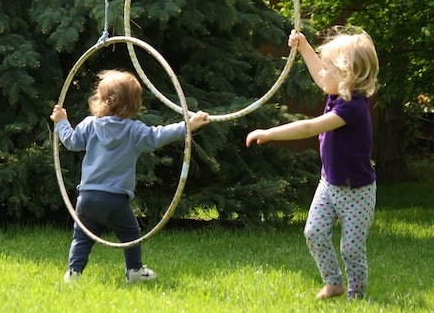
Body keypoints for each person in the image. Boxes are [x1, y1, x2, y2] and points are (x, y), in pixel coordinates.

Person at [246, 27, 379, 300]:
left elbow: (309, 127)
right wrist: (304, 46)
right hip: (329, 183)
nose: (322, 74)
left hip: (357, 191)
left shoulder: (351, 108)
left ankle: (357, 294)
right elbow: (322, 77)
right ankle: (334, 283)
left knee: (351, 249)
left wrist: (270, 133)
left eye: (328, 69)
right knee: (314, 232)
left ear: (346, 75)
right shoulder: (337, 92)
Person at [50, 69, 210, 283]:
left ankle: (73, 273)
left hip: (87, 197)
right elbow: (159, 135)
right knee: (131, 234)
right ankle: (134, 270)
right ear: (134, 103)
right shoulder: (134, 130)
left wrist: (61, 121)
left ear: (101, 99)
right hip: (115, 199)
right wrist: (188, 125)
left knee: (82, 236)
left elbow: (70, 141)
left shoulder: (89, 124)